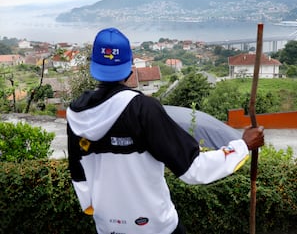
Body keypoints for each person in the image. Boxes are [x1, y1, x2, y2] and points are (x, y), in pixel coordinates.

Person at [66, 27, 265, 234]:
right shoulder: (143, 109)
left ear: (94, 67)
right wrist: (242, 146)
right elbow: (193, 169)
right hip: (155, 226)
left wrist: (95, 208)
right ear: (129, 69)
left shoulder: (76, 113)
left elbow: (78, 174)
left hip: (107, 226)